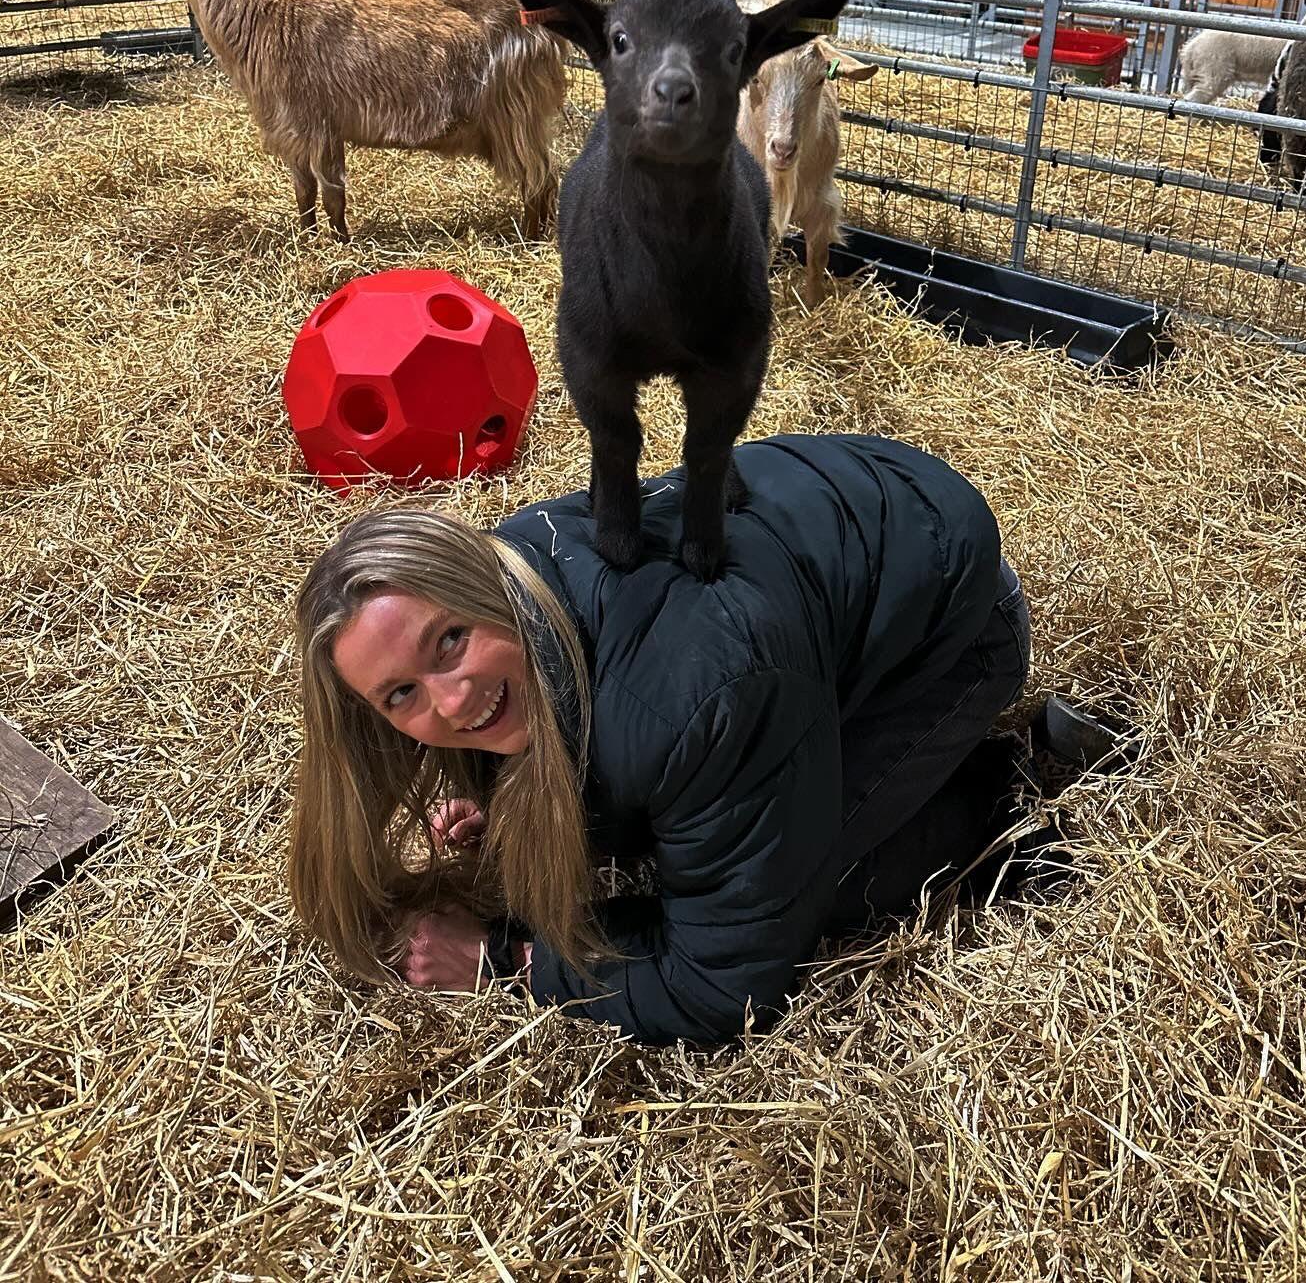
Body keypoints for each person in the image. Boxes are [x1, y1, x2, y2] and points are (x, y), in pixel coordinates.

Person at [289, 433, 1088, 1046]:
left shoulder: (695, 694)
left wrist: (507, 962)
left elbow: (724, 988)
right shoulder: (512, 589)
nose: (454, 702)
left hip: (951, 633)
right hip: (830, 550)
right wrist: (495, 796)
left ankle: (1001, 799)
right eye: (402, 694)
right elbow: (571, 709)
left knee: (796, 891)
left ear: (483, 591)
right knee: (699, 825)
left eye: (451, 641)